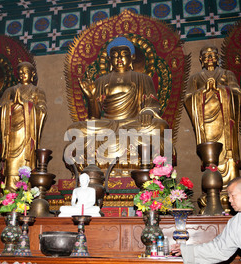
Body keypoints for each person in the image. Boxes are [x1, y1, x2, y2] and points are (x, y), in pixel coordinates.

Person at [64, 36, 169, 173]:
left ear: (132, 57)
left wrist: (148, 112)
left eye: (124, 54)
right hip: (107, 124)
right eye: (114, 55)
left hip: (133, 123)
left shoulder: (143, 79)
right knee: (74, 129)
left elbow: (153, 103)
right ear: (109, 60)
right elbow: (94, 117)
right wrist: (91, 98)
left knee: (160, 126)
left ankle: (101, 156)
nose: (119, 58)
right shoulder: (101, 81)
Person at [184, 45, 241, 187]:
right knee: (210, 154)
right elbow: (187, 98)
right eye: (206, 55)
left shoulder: (227, 74)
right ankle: (212, 190)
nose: (210, 58)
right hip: (206, 122)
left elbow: (237, 93)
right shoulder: (195, 78)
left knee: (228, 155)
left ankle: (231, 189)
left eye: (213, 55)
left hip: (225, 121)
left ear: (218, 58)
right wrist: (203, 92)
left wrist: (220, 89)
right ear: (201, 59)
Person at [0, 61, 47, 191]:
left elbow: (42, 110)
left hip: (28, 132)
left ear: (32, 74)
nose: (23, 74)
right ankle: (9, 190)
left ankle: (26, 190)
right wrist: (11, 105)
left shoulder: (37, 91)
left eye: (26, 72)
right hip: (11, 132)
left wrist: (25, 104)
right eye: (20, 72)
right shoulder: (10, 91)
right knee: (11, 161)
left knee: (27, 161)